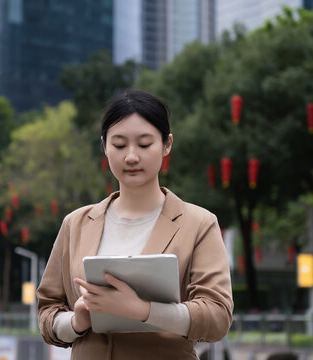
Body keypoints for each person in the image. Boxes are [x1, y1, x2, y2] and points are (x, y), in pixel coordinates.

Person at [37, 89, 233, 359]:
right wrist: (77, 321)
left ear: (167, 145)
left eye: (144, 144)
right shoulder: (76, 223)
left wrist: (142, 310)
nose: (131, 156)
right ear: (104, 145)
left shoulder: (199, 224)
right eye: (119, 145)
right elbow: (47, 311)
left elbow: (217, 317)